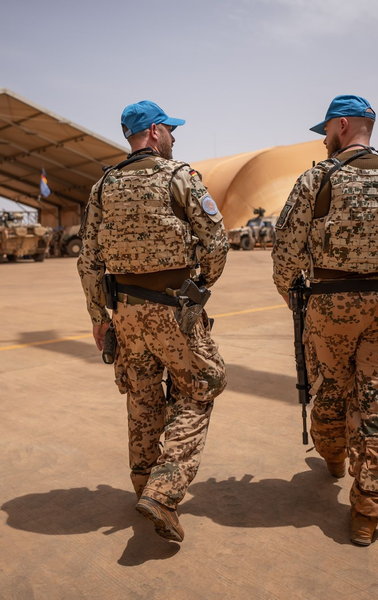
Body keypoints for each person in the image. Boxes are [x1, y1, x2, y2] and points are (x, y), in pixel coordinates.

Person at [272, 95, 378, 546]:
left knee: (329, 387)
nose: (324, 138)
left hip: (328, 308)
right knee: (377, 403)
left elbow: (285, 251)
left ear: (342, 126)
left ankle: (332, 455)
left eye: (325, 129)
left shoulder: (316, 180)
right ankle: (368, 511)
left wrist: (293, 296)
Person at [77, 100, 229, 543]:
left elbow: (88, 262)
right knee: (201, 390)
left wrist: (98, 317)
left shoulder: (103, 186)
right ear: (155, 131)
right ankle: (164, 492)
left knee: (142, 397)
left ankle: (144, 485)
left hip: (125, 312)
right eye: (171, 130)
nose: (174, 138)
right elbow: (216, 244)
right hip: (174, 309)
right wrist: (199, 288)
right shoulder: (180, 176)